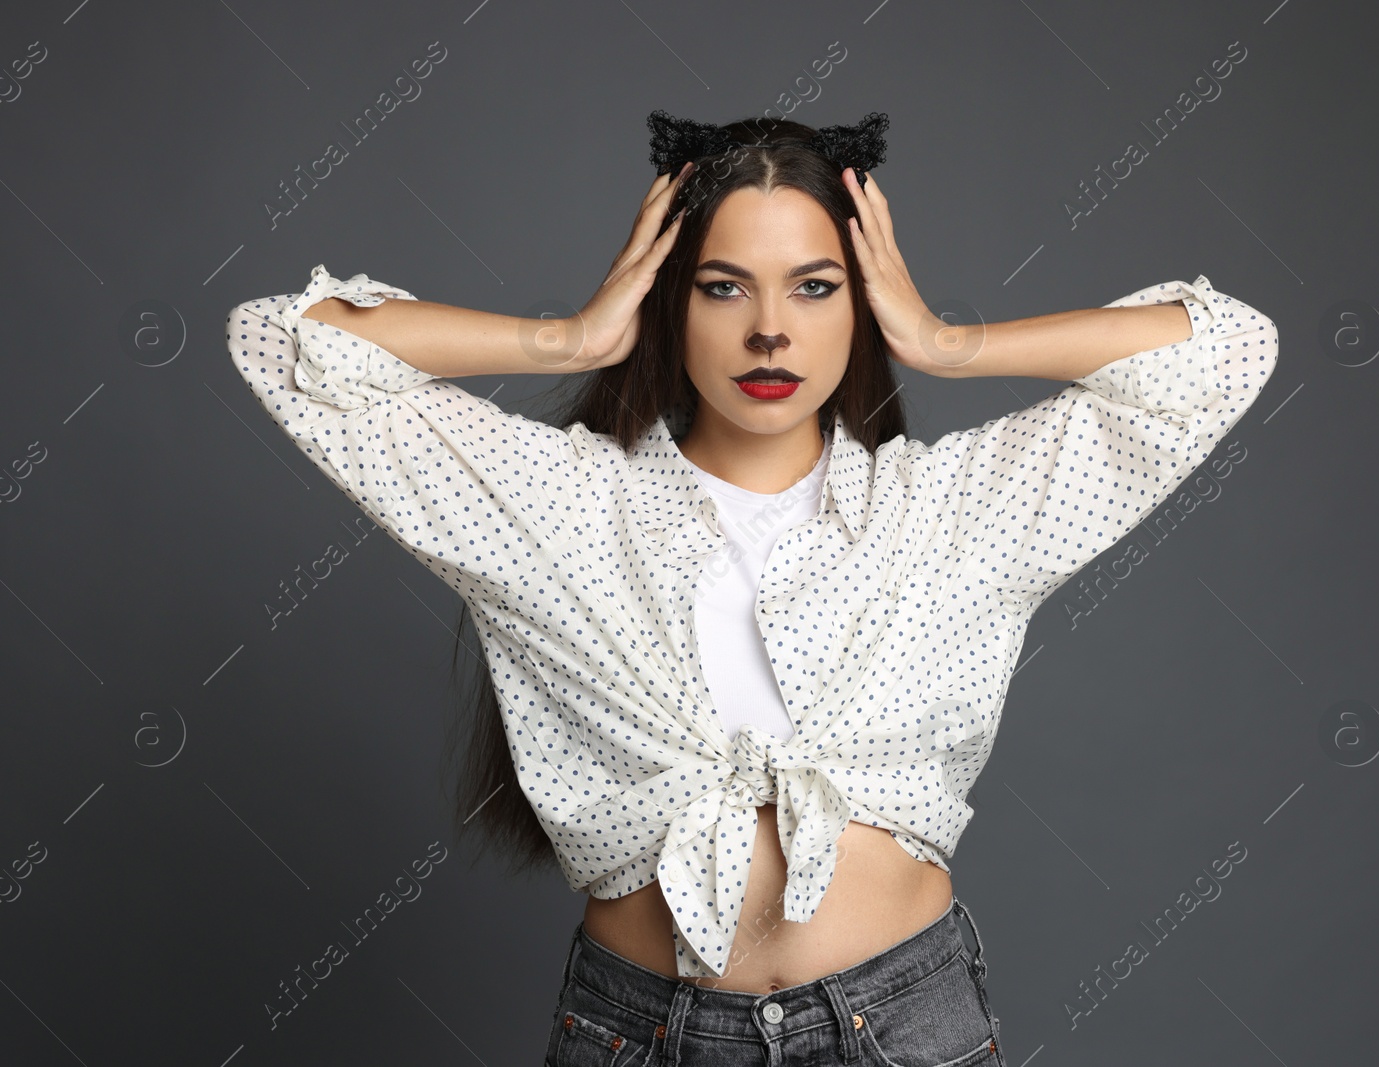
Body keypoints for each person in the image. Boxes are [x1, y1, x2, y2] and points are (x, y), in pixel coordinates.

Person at [225, 111, 1279, 1065]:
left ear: (859, 306)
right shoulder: (560, 507)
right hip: (638, 1032)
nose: (769, 329)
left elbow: (1228, 351)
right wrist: (569, 334)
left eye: (814, 287)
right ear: (669, 301)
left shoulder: (951, 509)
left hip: (901, 1027)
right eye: (723, 286)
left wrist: (951, 344)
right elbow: (282, 341)